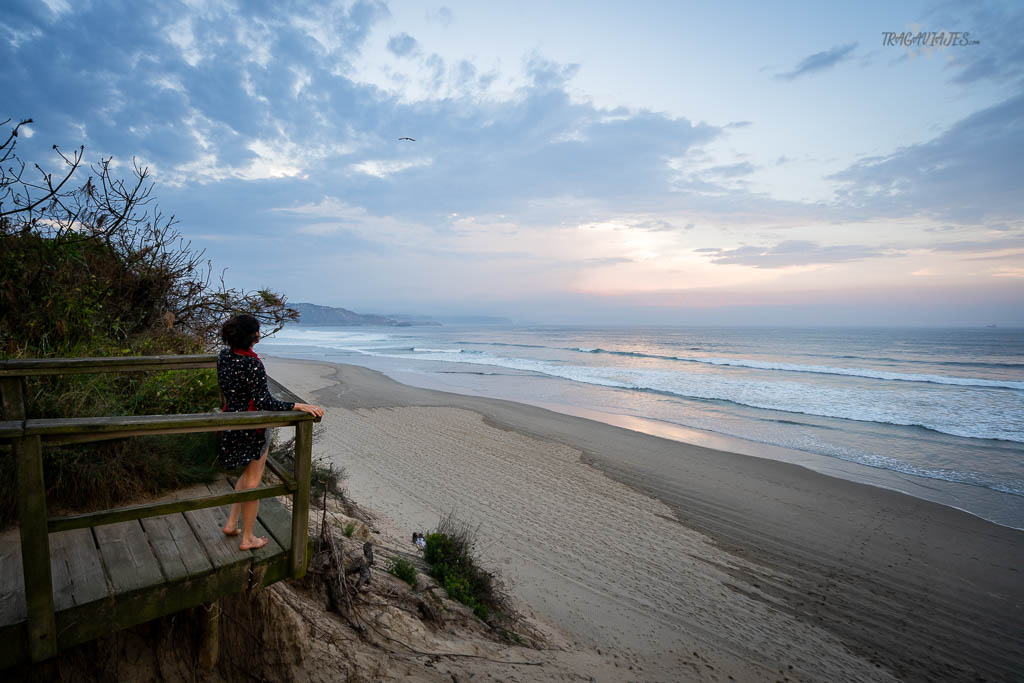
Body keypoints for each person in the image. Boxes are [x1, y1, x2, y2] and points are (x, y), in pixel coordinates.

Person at [217, 313, 324, 550]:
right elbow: (265, 401)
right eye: (257, 330)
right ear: (252, 336)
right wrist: (298, 405)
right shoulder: (252, 364)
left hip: (231, 422)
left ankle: (232, 523)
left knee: (244, 476)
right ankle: (248, 538)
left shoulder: (224, 356)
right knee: (253, 481)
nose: (260, 333)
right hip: (253, 427)